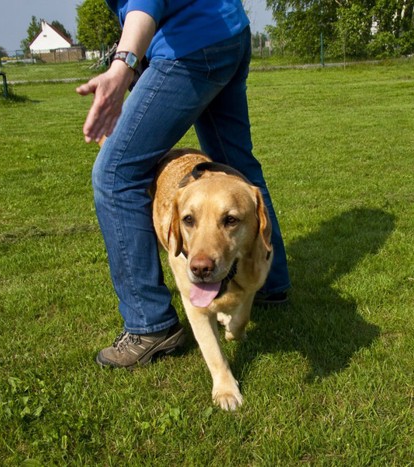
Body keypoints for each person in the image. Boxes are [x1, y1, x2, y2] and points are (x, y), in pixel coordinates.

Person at [77, 0, 291, 368]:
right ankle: (265, 281)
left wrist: (123, 64)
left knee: (115, 174)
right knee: (237, 171)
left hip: (190, 45)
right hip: (228, 30)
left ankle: (150, 326)